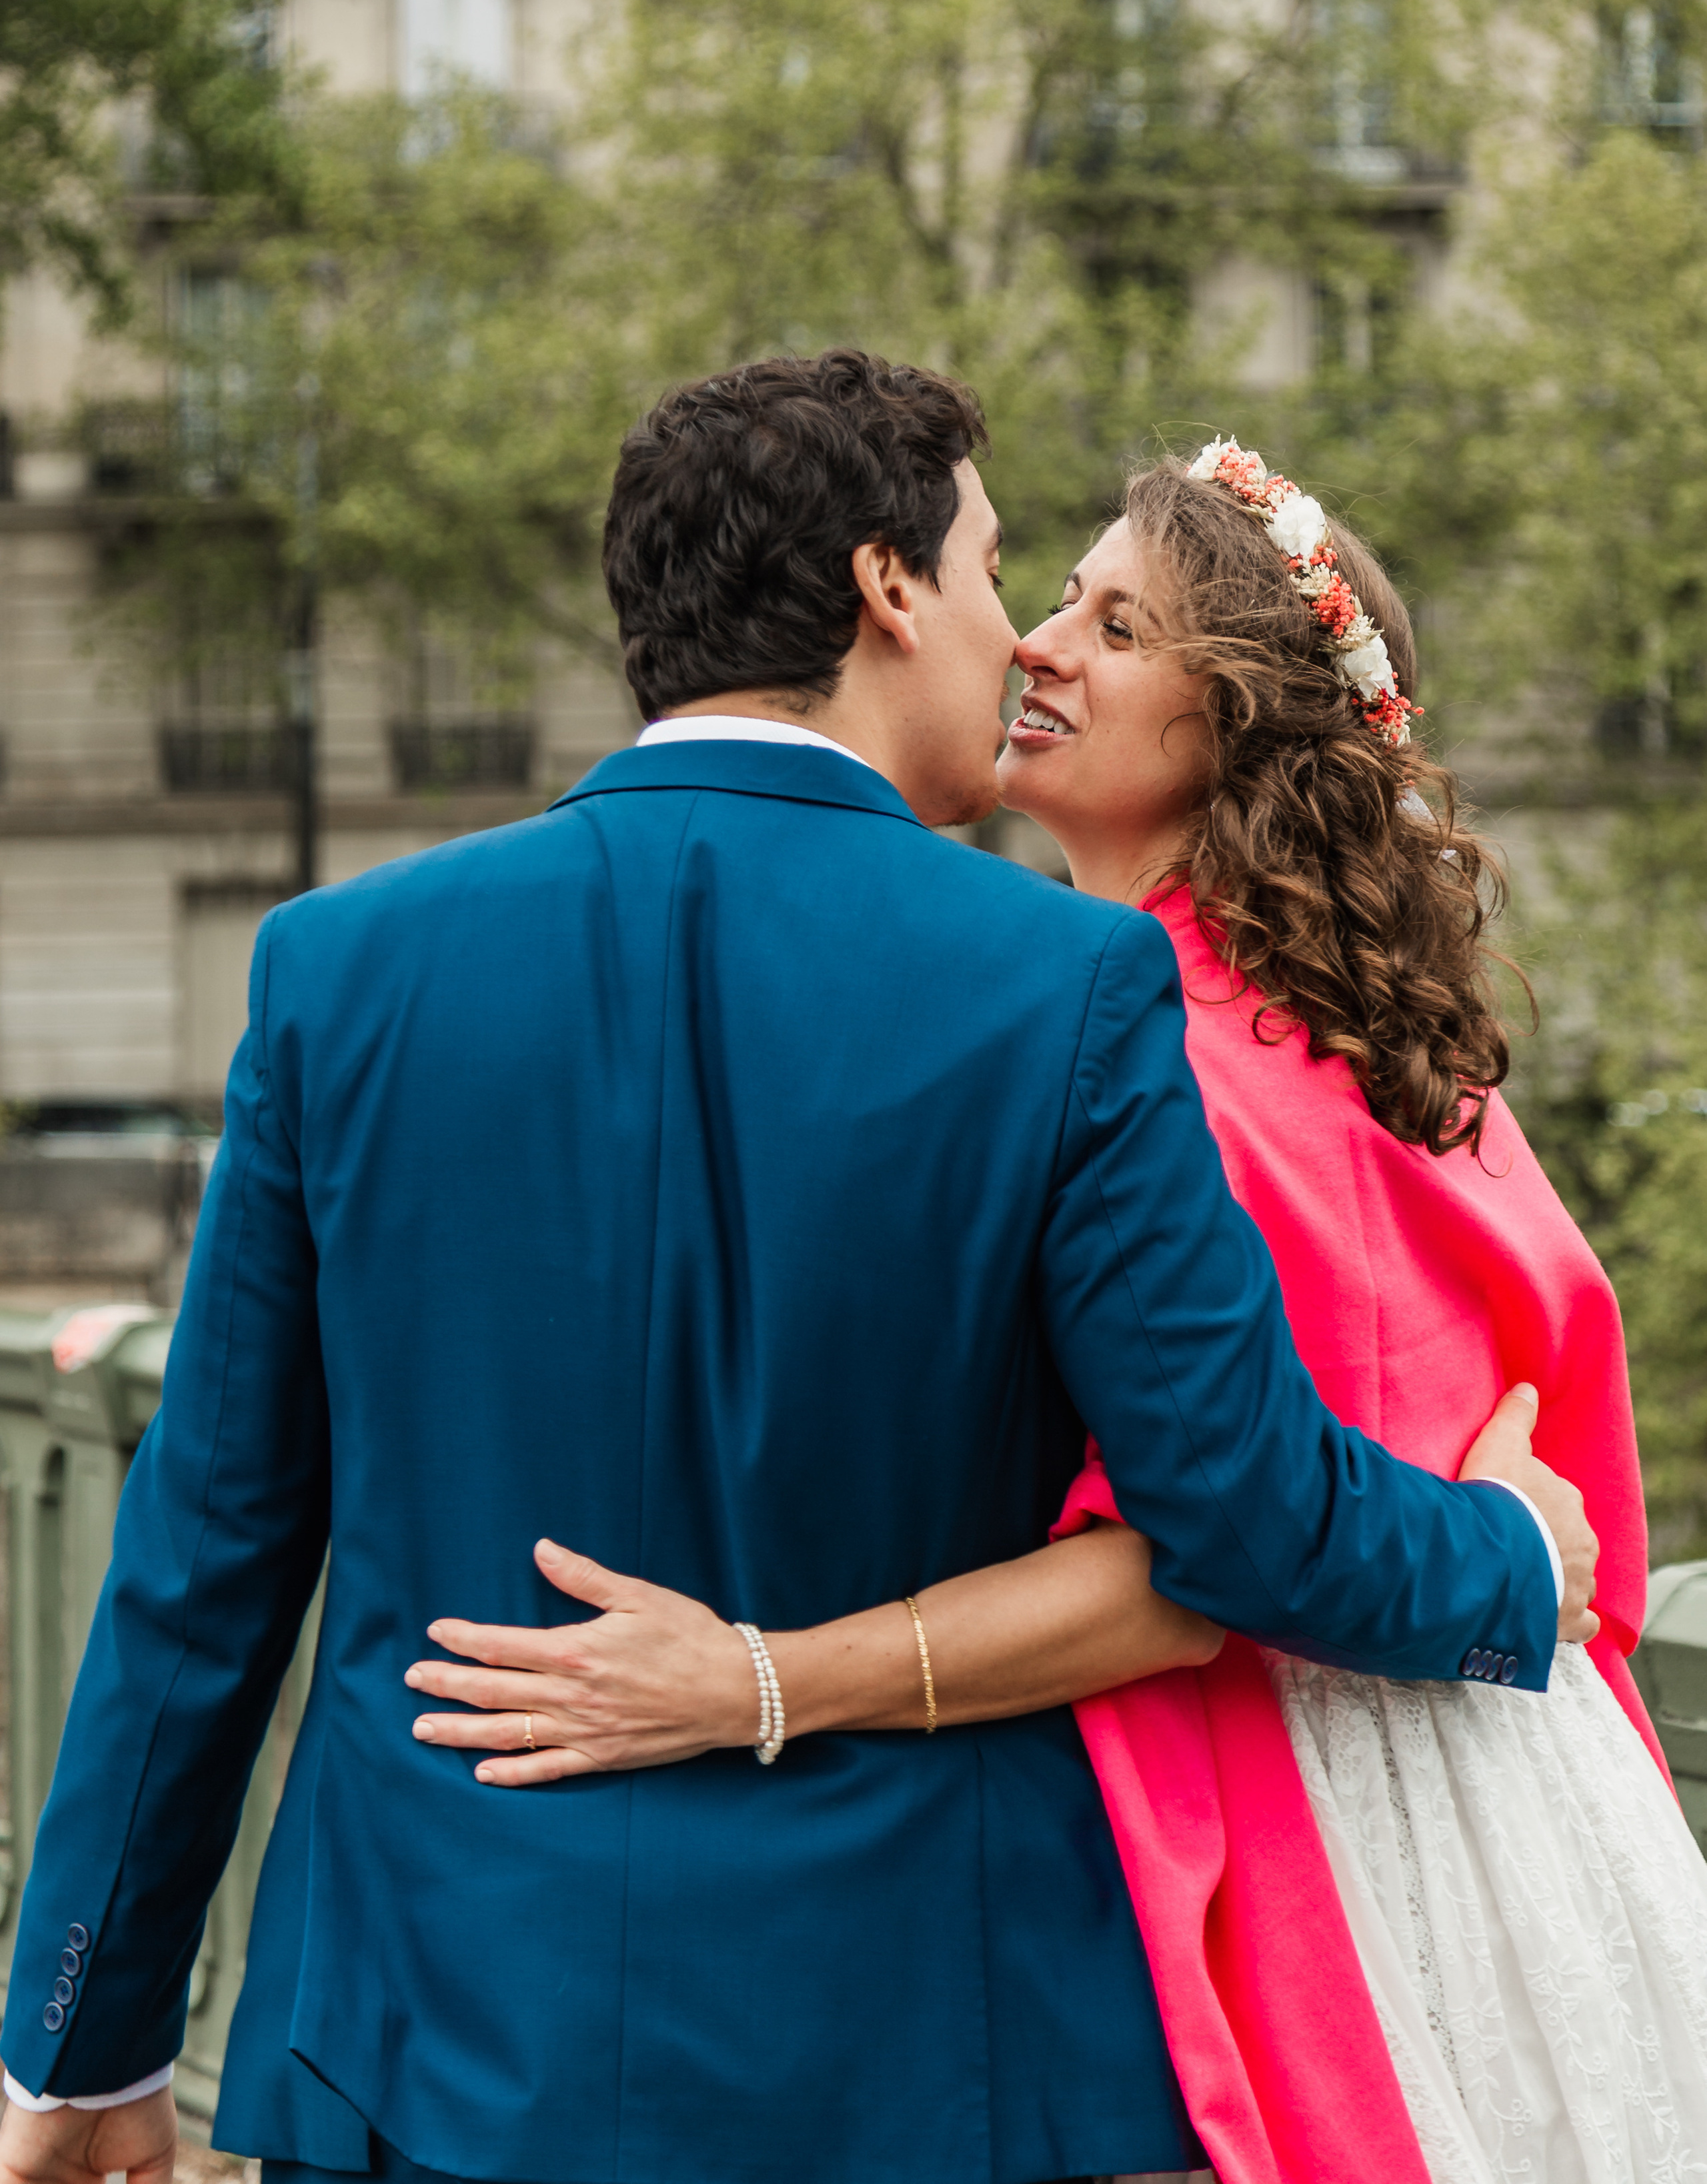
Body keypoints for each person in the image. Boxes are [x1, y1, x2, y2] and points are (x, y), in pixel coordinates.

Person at [0, 359, 1592, 2184]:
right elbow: (1236, 1514)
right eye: (993, 568)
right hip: (919, 2065)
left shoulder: (339, 970)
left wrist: (79, 2043)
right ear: (886, 587)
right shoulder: (1067, 990)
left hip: (423, 2049)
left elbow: (206, 1563)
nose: (1014, 633)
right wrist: (1506, 1561)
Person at [430, 434, 1707, 2182]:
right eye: (1052, 594)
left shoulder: (1166, 1052)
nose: (1035, 642)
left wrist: (751, 1684)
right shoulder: (1374, 1042)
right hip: (1523, 1798)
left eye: (1116, 626)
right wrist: (1512, 1557)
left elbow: (1191, 1571)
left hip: (1312, 1840)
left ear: (1233, 722)